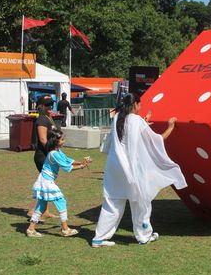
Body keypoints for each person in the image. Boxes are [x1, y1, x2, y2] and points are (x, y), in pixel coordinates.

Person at [91, 93, 187, 248]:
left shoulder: (117, 118)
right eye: (140, 104)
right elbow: (158, 140)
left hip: (115, 167)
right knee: (140, 202)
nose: (141, 107)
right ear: (135, 104)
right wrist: (171, 126)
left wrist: (144, 123)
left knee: (113, 201)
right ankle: (144, 235)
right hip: (131, 169)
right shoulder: (136, 121)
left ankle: (99, 238)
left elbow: (124, 137)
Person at [26, 129, 91, 237]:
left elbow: (67, 160)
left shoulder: (57, 151)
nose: (64, 141)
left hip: (44, 180)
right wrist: (82, 166)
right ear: (55, 141)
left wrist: (81, 162)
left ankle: (30, 229)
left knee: (41, 205)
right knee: (61, 202)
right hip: (46, 181)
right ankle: (65, 229)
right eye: (62, 139)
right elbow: (67, 167)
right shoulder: (54, 154)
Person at [27, 96, 57, 219]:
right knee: (46, 183)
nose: (50, 107)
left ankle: (44, 211)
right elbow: (43, 140)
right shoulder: (41, 120)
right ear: (40, 107)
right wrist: (53, 153)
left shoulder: (48, 118)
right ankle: (32, 210)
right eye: (47, 105)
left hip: (47, 155)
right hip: (42, 156)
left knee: (48, 183)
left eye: (51, 104)